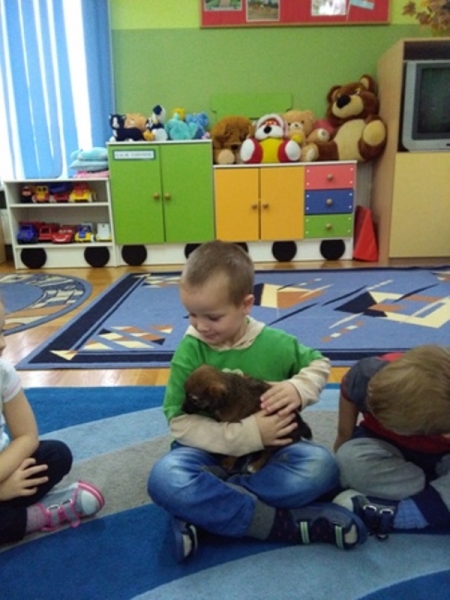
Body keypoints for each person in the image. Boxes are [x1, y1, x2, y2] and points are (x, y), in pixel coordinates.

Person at [148, 240, 367, 561]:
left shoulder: (275, 343)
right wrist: (248, 434)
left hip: (271, 454)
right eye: (192, 314)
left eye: (213, 317)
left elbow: (319, 364)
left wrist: (297, 388)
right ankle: (278, 523)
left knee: (322, 467)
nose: (200, 326)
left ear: (246, 304)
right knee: (165, 478)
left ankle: (208, 511)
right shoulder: (190, 350)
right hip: (208, 451)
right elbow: (178, 420)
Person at [0, 300, 105, 544]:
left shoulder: (3, 373)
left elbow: (27, 436)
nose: (3, 343)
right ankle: (35, 516)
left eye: (2, 330)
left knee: (57, 454)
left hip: (5, 466)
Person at [333, 345, 450, 539]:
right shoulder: (365, 376)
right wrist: (338, 471)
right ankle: (433, 497)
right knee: (348, 459)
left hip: (441, 456)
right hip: (382, 445)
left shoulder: (440, 416)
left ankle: (402, 514)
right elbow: (344, 434)